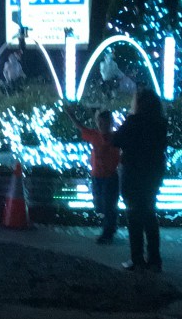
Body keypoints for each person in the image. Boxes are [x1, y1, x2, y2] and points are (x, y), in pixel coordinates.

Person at [111, 87, 168, 271]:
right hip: (153, 173)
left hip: (133, 173)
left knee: (134, 215)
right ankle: (155, 259)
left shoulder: (134, 121)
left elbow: (116, 140)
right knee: (149, 213)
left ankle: (137, 259)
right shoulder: (160, 123)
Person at [71, 109, 122, 244]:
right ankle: (111, 227)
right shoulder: (95, 135)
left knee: (108, 205)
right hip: (97, 176)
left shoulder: (115, 137)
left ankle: (108, 232)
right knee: (100, 205)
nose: (101, 125)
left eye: (104, 123)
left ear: (110, 123)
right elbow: (80, 127)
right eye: (100, 122)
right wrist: (71, 115)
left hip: (110, 177)